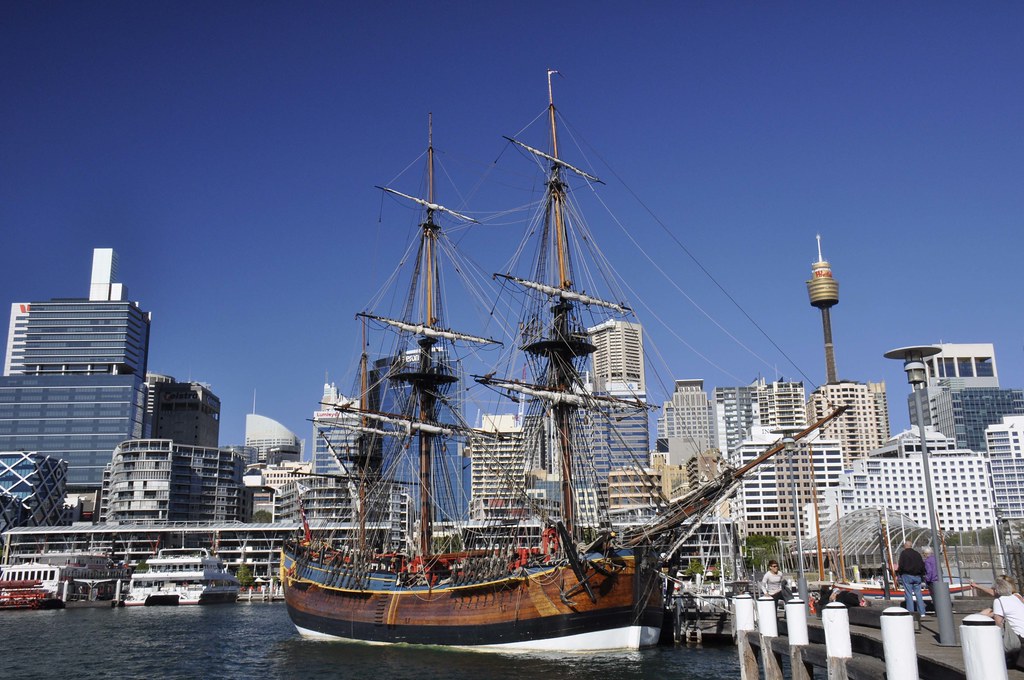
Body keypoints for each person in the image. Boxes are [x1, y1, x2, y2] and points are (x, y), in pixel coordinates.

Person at [981, 578, 1024, 669]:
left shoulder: (999, 601)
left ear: (996, 590)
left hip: (1020, 635)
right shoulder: (1015, 597)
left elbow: (998, 623)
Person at [896, 541, 927, 617]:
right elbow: (922, 565)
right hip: (917, 576)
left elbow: (901, 565)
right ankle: (922, 612)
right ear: (911, 546)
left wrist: (899, 573)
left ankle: (911, 612)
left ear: (905, 546)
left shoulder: (904, 553)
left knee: (908, 594)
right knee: (918, 594)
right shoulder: (917, 554)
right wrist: (922, 575)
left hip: (907, 575)